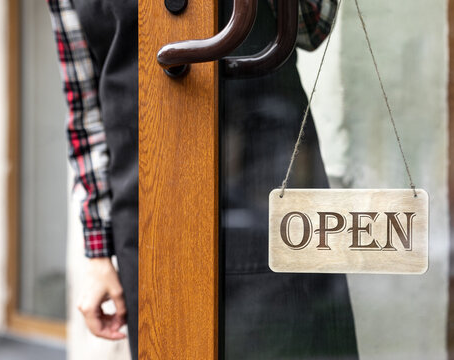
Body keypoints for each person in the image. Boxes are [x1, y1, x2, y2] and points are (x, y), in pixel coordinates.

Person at [48, 0, 358, 359]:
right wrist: (98, 254)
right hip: (148, 222)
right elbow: (86, 113)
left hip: (271, 196)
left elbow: (310, 26)